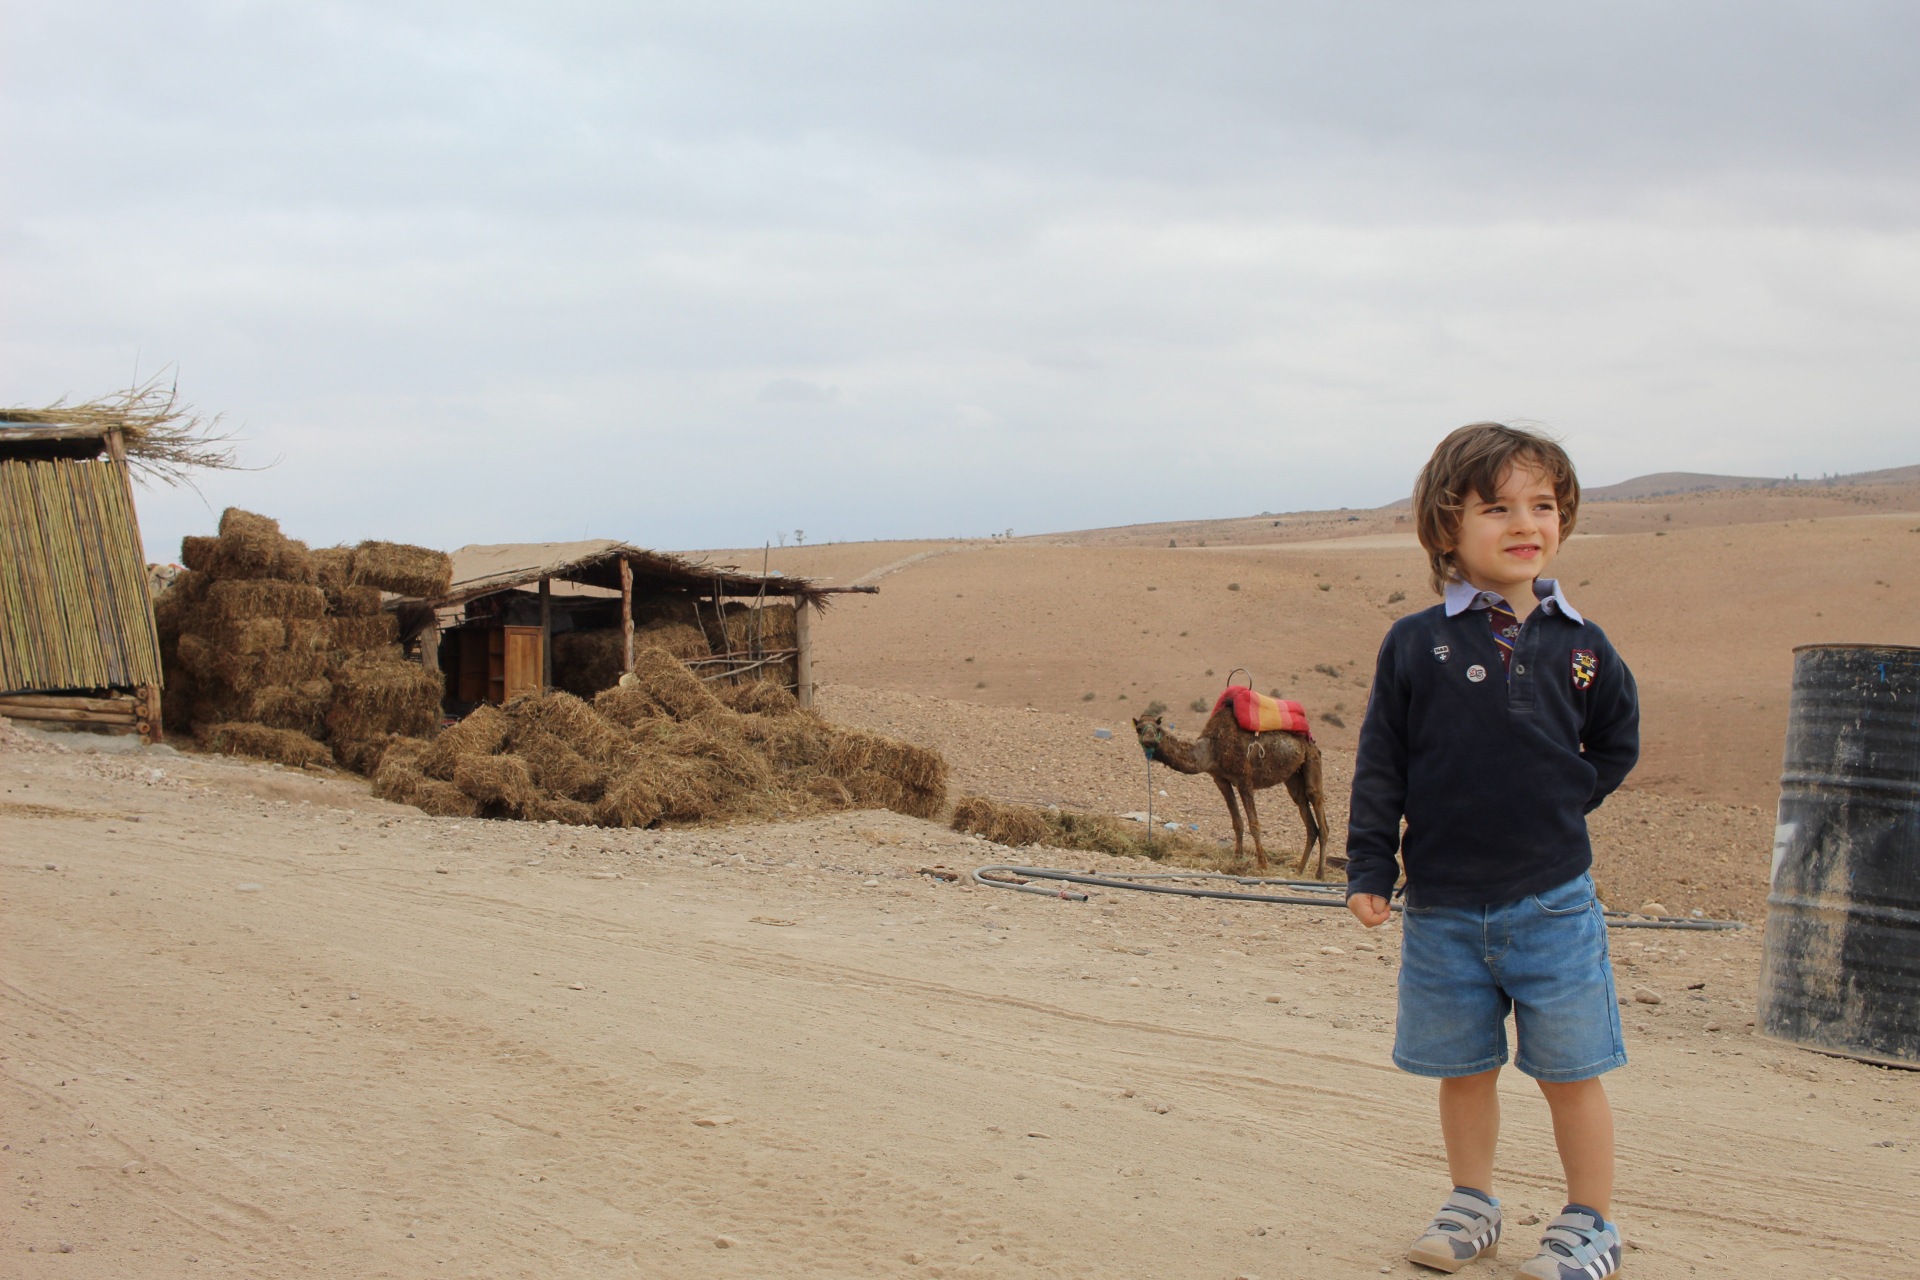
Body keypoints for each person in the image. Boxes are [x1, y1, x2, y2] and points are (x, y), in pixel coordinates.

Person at [1346, 422, 1639, 1279]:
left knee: (1571, 1072)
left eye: (1543, 505)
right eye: (1497, 508)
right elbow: (1382, 762)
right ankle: (1472, 1202)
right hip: (1442, 906)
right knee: (1465, 1069)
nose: (1525, 523)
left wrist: (1561, 800)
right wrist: (1370, 867)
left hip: (1554, 902)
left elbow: (1616, 741)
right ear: (1447, 527)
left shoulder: (1583, 645)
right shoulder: (1415, 643)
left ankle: (1590, 1222)